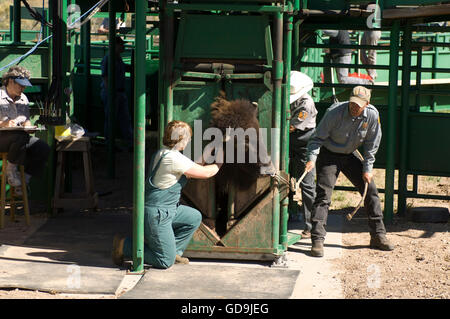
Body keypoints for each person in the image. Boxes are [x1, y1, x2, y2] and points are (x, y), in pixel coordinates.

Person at [112, 120, 223, 269]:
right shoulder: (174, 159)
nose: (189, 140)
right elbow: (206, 173)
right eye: (188, 138)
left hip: (167, 209)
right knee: (165, 261)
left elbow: (193, 168)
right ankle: (125, 246)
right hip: (157, 214)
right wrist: (221, 161)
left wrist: (209, 149)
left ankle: (174, 251)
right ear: (182, 139)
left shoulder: (164, 153)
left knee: (194, 217)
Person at [305, 86, 394, 257]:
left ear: (367, 104)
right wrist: (312, 159)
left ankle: (378, 235)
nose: (354, 107)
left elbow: (371, 145)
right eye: (352, 103)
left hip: (351, 153)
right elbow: (317, 138)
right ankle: (317, 239)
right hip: (329, 154)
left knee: (371, 192)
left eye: (359, 105)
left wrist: (368, 169)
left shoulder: (373, 116)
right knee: (324, 195)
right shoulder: (334, 112)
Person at [0, 66, 50, 195]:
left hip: (19, 139)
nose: (23, 88)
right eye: (21, 85)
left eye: (25, 86)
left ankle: (24, 181)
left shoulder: (24, 98)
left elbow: (26, 120)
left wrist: (29, 127)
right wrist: (4, 123)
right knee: (19, 136)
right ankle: (10, 170)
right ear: (10, 81)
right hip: (2, 138)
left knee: (43, 147)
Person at [288, 71, 317, 239]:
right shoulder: (292, 97)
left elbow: (291, 127)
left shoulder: (306, 105)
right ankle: (288, 213)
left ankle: (311, 225)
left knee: (307, 185)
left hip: (303, 145)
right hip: (289, 141)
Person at [100, 36, 133, 150]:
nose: (123, 46)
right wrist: (111, 93)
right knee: (111, 118)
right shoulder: (109, 58)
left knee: (124, 118)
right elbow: (105, 77)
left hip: (119, 92)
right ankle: (110, 144)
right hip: (112, 93)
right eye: (121, 44)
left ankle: (130, 143)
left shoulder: (118, 58)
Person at [360, 3, 382, 80]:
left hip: (374, 30)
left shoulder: (377, 5)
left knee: (371, 53)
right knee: (362, 54)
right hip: (368, 29)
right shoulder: (370, 5)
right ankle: (371, 72)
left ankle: (372, 74)